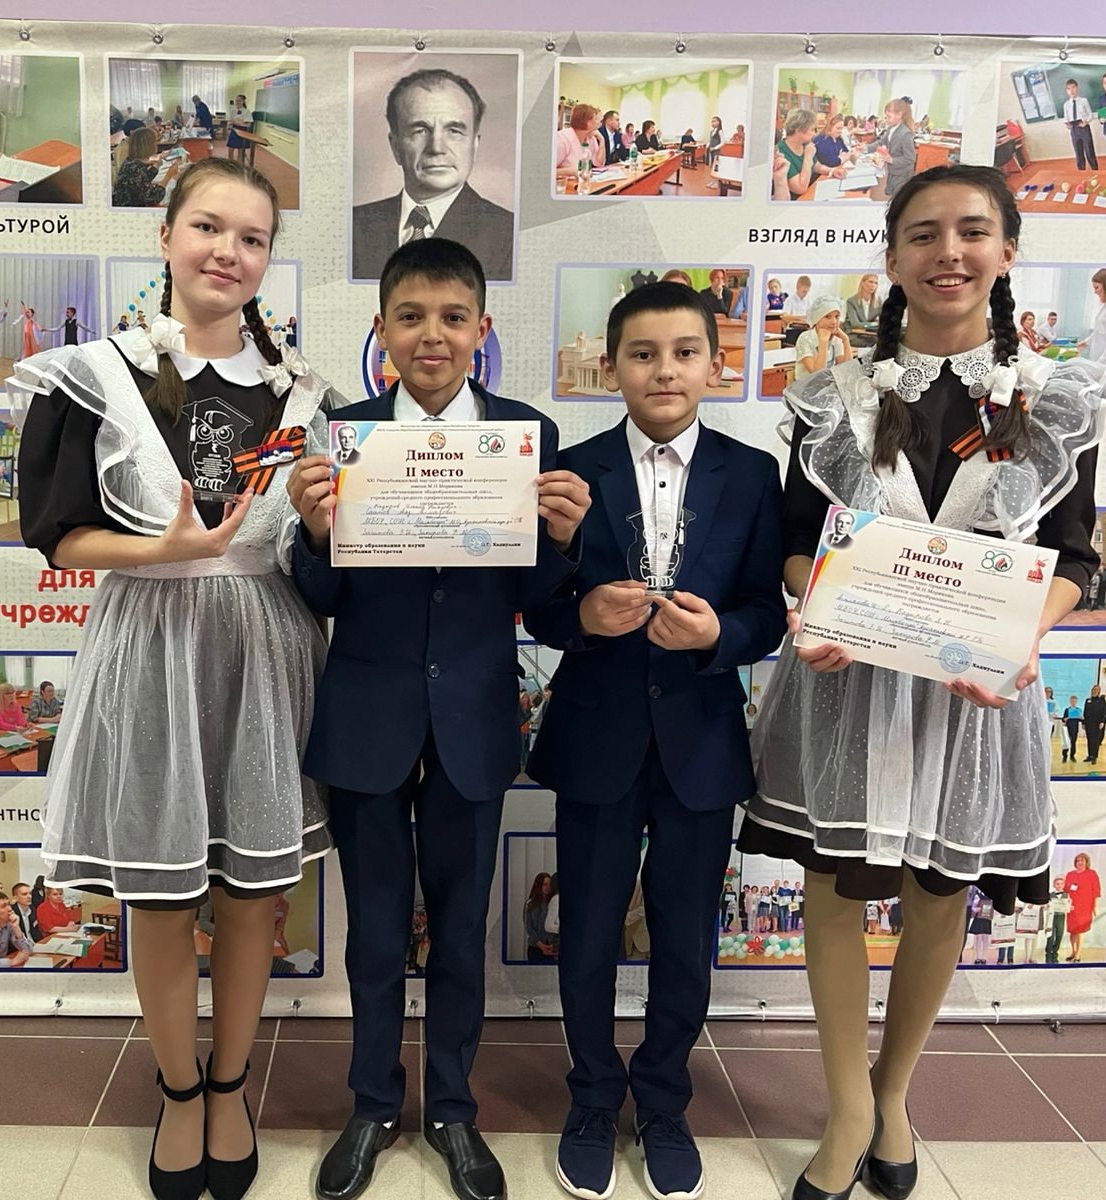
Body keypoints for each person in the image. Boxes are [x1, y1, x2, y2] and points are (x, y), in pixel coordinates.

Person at [739, 165, 1106, 1200]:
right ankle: (847, 1109)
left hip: (975, 692)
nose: (947, 252)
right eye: (922, 234)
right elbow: (794, 541)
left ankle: (894, 1091)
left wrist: (1019, 634)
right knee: (833, 886)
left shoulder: (1053, 396)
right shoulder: (834, 396)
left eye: (971, 231)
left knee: (938, 891)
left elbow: (1073, 557)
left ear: (1005, 251)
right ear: (893, 256)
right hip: (849, 679)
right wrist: (814, 606)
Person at [11, 157, 336, 1200]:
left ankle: (231, 1084)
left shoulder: (302, 392)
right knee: (159, 893)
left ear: (268, 259)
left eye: (251, 238)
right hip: (151, 643)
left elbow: (314, 546)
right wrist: (163, 551)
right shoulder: (94, 374)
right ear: (164, 236)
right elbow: (56, 534)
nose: (226, 252)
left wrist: (322, 526)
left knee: (251, 891)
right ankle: (179, 1088)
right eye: (207, 227)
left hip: (266, 650)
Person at [286, 237, 588, 1200]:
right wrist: (315, 534)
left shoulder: (526, 436)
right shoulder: (344, 435)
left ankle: (453, 1110)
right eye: (411, 317)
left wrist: (563, 539)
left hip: (472, 720)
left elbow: (538, 601)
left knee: (460, 933)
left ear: (481, 330)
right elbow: (320, 595)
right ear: (380, 330)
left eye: (453, 318)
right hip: (368, 719)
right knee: (376, 936)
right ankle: (373, 1104)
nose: (432, 336)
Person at [521, 280, 785, 1200]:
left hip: (701, 742)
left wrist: (718, 637)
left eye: (683, 352)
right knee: (589, 932)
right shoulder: (571, 469)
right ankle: (593, 1098)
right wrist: (582, 614)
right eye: (642, 354)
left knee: (683, 938)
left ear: (715, 364)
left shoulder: (752, 475)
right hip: (597, 736)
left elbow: (766, 614)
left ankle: (665, 1101)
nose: (663, 370)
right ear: (611, 368)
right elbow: (539, 605)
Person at [351, 68, 516, 280]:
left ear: (474, 145)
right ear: (395, 146)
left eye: (454, 131)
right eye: (419, 130)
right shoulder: (352, 226)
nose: (436, 148)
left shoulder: (510, 236)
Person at [863, 98, 919, 199]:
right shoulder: (891, 129)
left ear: (899, 115)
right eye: (886, 117)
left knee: (899, 198)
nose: (886, 120)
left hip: (902, 173)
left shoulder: (905, 134)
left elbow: (910, 158)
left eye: (889, 117)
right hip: (893, 171)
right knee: (892, 194)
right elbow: (881, 142)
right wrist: (866, 148)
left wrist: (891, 160)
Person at [794, 295, 852, 381]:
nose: (834, 322)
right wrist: (823, 342)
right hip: (805, 386)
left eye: (837, 316)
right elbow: (817, 375)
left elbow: (847, 369)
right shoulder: (805, 338)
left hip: (827, 385)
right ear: (817, 319)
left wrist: (846, 340)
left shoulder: (836, 338)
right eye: (827, 317)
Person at [774, 108, 827, 200]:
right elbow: (800, 188)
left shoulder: (804, 144)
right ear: (798, 130)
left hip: (811, 193)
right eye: (812, 130)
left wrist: (832, 170)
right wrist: (808, 157)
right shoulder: (781, 152)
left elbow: (817, 166)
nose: (815, 134)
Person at [114, 127, 167, 208]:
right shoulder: (136, 168)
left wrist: (156, 166)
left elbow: (144, 178)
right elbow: (154, 197)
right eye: (154, 142)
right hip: (128, 208)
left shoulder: (131, 160)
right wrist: (168, 177)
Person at [554, 103, 605, 184]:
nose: (599, 123)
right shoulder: (562, 139)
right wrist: (571, 171)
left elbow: (599, 163)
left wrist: (602, 140)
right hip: (563, 186)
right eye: (596, 119)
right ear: (587, 122)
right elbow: (546, 171)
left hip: (582, 184)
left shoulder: (591, 139)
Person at [1061, 79, 1098, 171]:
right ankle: (1081, 170)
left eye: (1073, 87)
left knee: (1089, 150)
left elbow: (1090, 114)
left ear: (1077, 88)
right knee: (1078, 152)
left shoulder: (1083, 101)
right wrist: (1067, 124)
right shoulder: (1066, 104)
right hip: (1074, 129)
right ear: (1067, 91)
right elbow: (1066, 118)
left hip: (1084, 127)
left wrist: (1086, 122)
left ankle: (1094, 169)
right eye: (1069, 88)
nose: (1071, 90)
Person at [524, 873, 556, 961]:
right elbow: (528, 926)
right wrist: (540, 944)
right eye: (545, 884)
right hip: (535, 947)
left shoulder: (554, 903)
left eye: (550, 884)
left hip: (551, 947)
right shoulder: (530, 904)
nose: (548, 887)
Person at [1044, 876, 1071, 963]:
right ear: (1054, 885)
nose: (1059, 885)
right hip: (1052, 916)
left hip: (1061, 916)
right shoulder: (1050, 895)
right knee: (1050, 935)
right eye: (1057, 884)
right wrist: (1046, 906)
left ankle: (1055, 953)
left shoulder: (1066, 895)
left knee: (1059, 935)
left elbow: (1068, 906)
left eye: (1061, 884)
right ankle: (1048, 954)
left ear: (1064, 885)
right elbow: (1046, 906)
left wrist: (1070, 907)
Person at [1082, 684, 1106, 765]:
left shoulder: (1101, 701)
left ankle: (1094, 756)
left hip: (1097, 723)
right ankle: (1090, 755)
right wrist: (1083, 722)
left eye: (1097, 690)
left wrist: (1102, 722)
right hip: (1088, 723)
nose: (1095, 691)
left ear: (1099, 691)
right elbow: (1085, 712)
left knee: (1095, 740)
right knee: (1089, 739)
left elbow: (1103, 712)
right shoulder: (1088, 700)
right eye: (1094, 689)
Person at [1063, 695, 1083, 762]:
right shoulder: (1067, 710)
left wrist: (1082, 718)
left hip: (1075, 728)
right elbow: (1063, 719)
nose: (1073, 702)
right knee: (1066, 742)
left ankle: (1072, 756)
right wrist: (1065, 719)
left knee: (1073, 742)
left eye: (1074, 701)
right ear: (1070, 701)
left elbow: (1081, 720)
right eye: (1072, 701)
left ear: (1076, 702)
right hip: (1068, 727)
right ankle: (1065, 756)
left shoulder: (1079, 710)